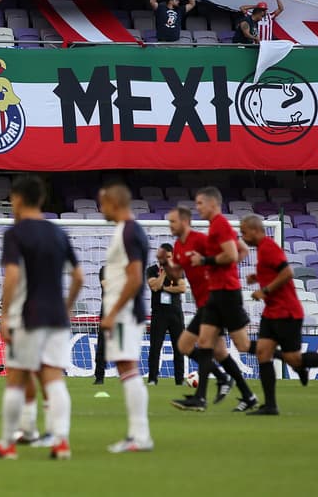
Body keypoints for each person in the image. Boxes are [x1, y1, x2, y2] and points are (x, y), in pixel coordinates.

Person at [0, 175, 81, 461]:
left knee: (15, 379)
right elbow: (78, 275)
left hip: (27, 315)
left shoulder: (15, 234)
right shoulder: (58, 233)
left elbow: (12, 274)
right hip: (57, 316)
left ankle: (7, 444)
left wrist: (4, 315)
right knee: (53, 380)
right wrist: (67, 305)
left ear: (18, 199)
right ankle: (61, 443)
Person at [240, 214, 318, 415]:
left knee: (294, 359)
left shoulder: (269, 247)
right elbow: (274, 272)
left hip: (286, 312)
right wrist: (258, 277)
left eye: (244, 232)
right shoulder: (263, 250)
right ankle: (270, 405)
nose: (243, 237)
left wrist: (264, 291)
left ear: (255, 231)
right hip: (271, 311)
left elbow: (287, 273)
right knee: (263, 352)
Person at [173, 187, 258, 413]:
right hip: (216, 293)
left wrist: (210, 263)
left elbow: (233, 253)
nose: (197, 207)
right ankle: (226, 393)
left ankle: (284, 353)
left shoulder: (215, 227)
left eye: (200, 203)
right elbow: (239, 252)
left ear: (212, 204)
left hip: (223, 293)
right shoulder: (209, 230)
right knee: (210, 347)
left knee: (241, 345)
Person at [164, 205, 244, 406]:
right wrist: (165, 263)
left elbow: (229, 253)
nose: (170, 226)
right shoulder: (178, 245)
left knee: (187, 345)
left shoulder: (200, 240)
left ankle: (205, 393)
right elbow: (176, 275)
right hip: (203, 301)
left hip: (213, 300)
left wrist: (214, 266)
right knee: (219, 352)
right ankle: (242, 390)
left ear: (184, 221)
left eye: (172, 221)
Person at [98, 183, 153, 453]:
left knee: (128, 368)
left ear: (114, 202)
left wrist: (112, 312)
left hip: (124, 313)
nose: (100, 208)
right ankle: (137, 435)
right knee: (125, 369)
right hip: (124, 311)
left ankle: (139, 436)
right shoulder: (126, 230)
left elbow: (134, 277)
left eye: (103, 203)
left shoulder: (129, 231)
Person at [146, 243, 186, 387]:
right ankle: (152, 379)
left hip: (175, 312)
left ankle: (179, 380)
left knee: (179, 347)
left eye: (169, 257)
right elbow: (154, 286)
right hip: (158, 313)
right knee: (155, 347)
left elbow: (182, 288)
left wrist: (166, 288)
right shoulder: (151, 270)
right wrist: (163, 272)